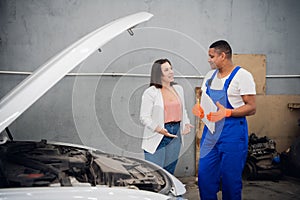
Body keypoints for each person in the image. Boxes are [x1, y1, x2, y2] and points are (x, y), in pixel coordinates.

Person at [195, 40, 256, 200]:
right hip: (211, 133)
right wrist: (199, 108)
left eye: (211, 56)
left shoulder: (242, 76)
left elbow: (251, 107)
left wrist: (227, 112)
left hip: (232, 134)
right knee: (204, 178)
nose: (209, 60)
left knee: (230, 181)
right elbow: (204, 99)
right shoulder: (210, 76)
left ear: (223, 55)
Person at [140, 58, 193, 174]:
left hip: (175, 133)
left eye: (171, 68)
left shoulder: (178, 89)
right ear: (159, 74)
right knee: (156, 173)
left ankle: (169, 192)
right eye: (166, 70)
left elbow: (182, 109)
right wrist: (159, 130)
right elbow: (144, 117)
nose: (171, 72)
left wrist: (186, 123)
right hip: (158, 133)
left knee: (169, 172)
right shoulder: (151, 92)